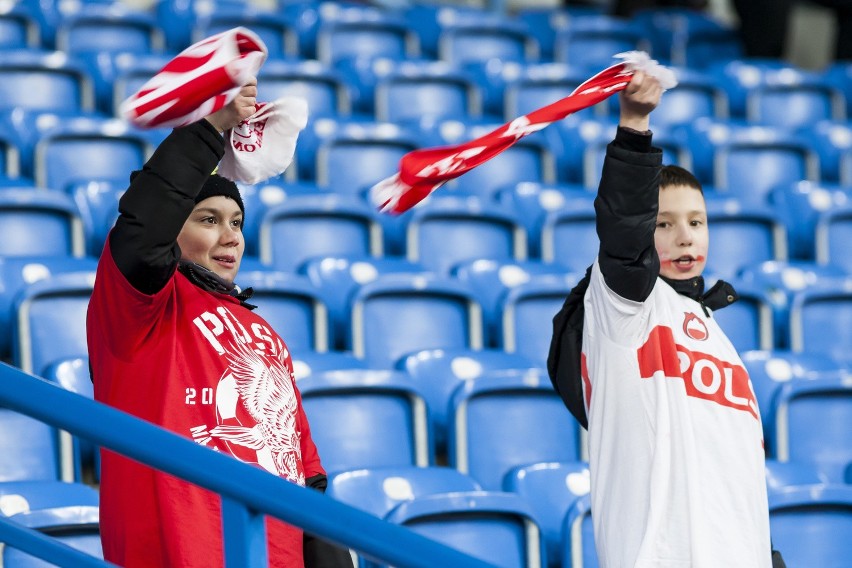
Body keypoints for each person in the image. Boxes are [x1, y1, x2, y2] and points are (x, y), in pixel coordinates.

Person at [86, 79, 352, 568]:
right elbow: (143, 230)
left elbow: (303, 471)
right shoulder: (139, 306)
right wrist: (211, 127)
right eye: (207, 219)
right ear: (175, 228)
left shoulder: (265, 332)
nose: (229, 236)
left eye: (236, 222)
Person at [552, 71, 776, 566]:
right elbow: (624, 228)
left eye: (696, 222)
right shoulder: (624, 307)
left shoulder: (719, 338)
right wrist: (634, 124)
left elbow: (737, 473)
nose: (685, 237)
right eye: (664, 224)